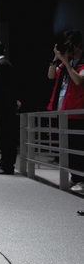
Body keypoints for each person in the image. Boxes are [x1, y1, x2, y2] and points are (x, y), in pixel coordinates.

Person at [47, 29, 84, 192]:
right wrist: (56, 59)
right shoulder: (64, 63)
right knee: (68, 149)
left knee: (78, 148)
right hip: (63, 110)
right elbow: (50, 76)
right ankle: (74, 177)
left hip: (77, 111)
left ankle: (81, 179)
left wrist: (67, 63)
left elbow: (78, 81)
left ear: (78, 44)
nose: (68, 48)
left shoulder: (81, 62)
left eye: (70, 44)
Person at [0, 42, 19, 175]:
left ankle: (7, 165)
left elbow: (3, 90)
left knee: (6, 137)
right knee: (5, 137)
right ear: (4, 50)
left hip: (3, 109)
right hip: (5, 108)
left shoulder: (2, 65)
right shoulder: (4, 64)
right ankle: (4, 163)